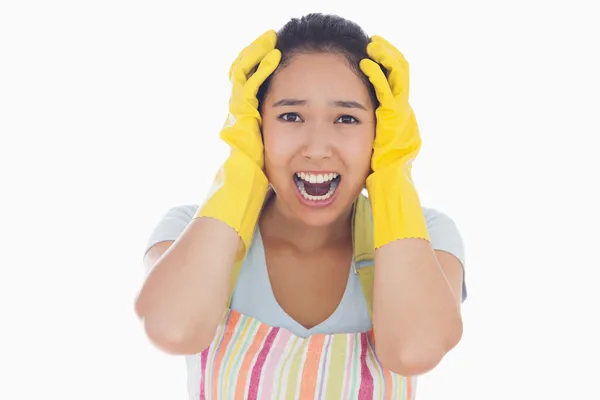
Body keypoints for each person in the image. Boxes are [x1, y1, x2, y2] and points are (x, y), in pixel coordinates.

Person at [135, 12, 467, 400]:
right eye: (290, 116)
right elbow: (173, 330)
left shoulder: (426, 237)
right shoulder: (189, 230)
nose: (316, 148)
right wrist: (242, 168)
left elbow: (414, 350)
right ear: (256, 125)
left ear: (382, 129)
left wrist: (393, 172)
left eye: (347, 118)